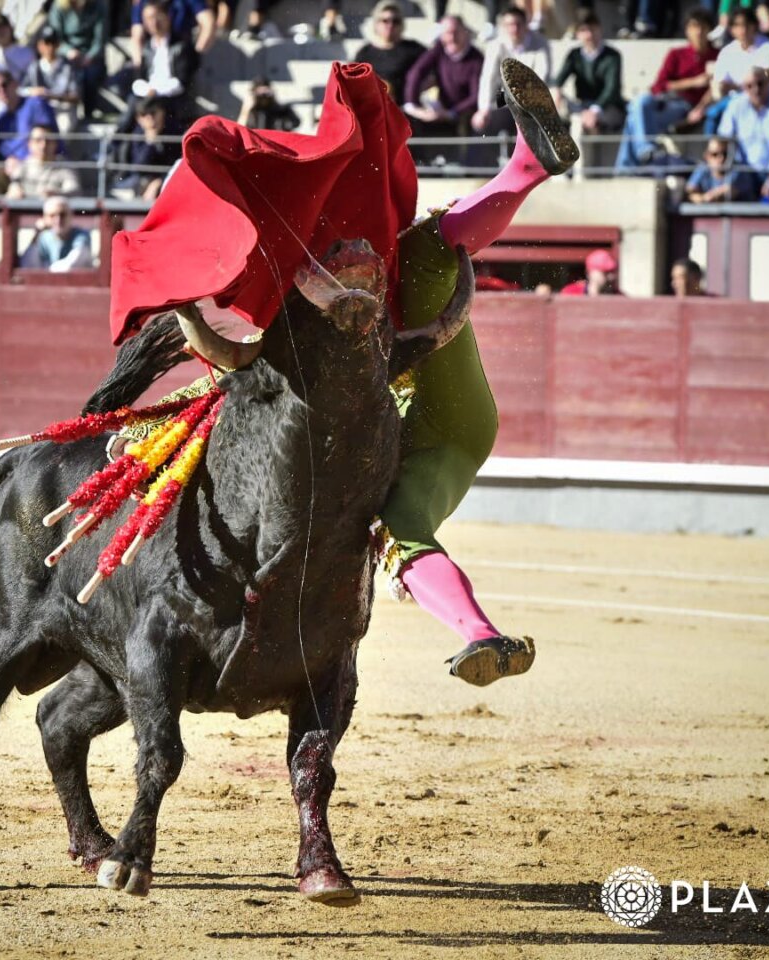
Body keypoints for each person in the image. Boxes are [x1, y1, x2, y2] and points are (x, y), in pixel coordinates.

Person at [111, 58, 584, 686]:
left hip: (432, 423)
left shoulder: (353, 306)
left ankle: (481, 634)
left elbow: (241, 377)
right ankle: (526, 165)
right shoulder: (380, 282)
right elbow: (243, 379)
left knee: (399, 528)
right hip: (429, 408)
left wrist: (145, 430)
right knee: (428, 246)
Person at [615, 8, 717, 172]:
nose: (698, 32)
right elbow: (659, 85)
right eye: (694, 27)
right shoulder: (677, 54)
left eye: (702, 27)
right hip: (664, 101)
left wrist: (701, 108)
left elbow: (718, 87)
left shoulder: (717, 56)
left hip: (686, 107)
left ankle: (626, 167)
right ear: (687, 30)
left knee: (634, 117)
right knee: (640, 102)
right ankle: (645, 151)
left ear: (709, 30)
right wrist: (693, 82)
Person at [0, 72, 60, 195]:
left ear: (15, 84)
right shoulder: (1, 120)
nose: (1, 91)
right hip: (10, 169)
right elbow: (2, 151)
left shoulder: (35, 104)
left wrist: (22, 161)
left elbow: (47, 140)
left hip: (38, 163)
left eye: (4, 85)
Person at [402, 15, 484, 142]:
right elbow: (416, 72)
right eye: (447, 33)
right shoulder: (439, 49)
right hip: (441, 110)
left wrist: (451, 113)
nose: (452, 37)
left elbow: (475, 97)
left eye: (455, 32)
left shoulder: (476, 59)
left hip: (465, 113)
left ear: (465, 32)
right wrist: (413, 105)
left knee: (468, 122)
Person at [474, 7, 551, 135]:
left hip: (531, 99)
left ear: (526, 25)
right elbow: (488, 78)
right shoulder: (495, 45)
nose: (514, 29)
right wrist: (483, 109)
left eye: (518, 24)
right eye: (510, 25)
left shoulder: (541, 43)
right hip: (503, 96)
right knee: (485, 123)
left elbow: (542, 76)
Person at [125, 0, 201, 125]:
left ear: (167, 17)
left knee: (158, 110)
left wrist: (157, 91)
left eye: (157, 17)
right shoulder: (145, 48)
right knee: (134, 102)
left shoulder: (182, 46)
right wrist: (148, 90)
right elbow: (137, 80)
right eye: (149, 18)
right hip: (148, 97)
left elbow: (181, 82)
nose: (154, 23)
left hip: (170, 98)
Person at [550, 10, 625, 134]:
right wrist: (556, 90)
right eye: (584, 30)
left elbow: (612, 89)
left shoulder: (612, 56)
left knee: (579, 122)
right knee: (555, 97)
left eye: (593, 29)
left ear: (599, 29)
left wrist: (595, 110)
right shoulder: (574, 55)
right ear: (577, 34)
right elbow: (559, 80)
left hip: (607, 107)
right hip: (582, 106)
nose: (589, 35)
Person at [706, 7, 769, 133]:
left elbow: (768, 74)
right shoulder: (727, 51)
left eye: (746, 25)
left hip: (765, 98)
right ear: (731, 29)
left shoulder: (767, 46)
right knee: (713, 114)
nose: (743, 30)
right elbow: (720, 83)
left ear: (754, 26)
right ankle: (714, 145)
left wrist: (739, 85)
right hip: (735, 100)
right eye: (738, 25)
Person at [717, 66, 769, 179]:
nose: (756, 89)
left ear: (768, 83)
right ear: (743, 88)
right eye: (749, 86)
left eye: (760, 84)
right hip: (743, 171)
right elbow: (724, 136)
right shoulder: (736, 104)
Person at [354, 1, 427, 103]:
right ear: (376, 24)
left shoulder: (414, 49)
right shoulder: (364, 53)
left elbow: (435, 73)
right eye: (385, 21)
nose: (390, 25)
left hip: (406, 106)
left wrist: (414, 90)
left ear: (402, 25)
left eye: (395, 21)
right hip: (374, 106)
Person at [48, 0, 109, 118]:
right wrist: (68, 51)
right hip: (67, 55)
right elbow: (56, 38)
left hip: (91, 55)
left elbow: (100, 39)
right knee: (62, 75)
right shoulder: (59, 7)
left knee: (90, 75)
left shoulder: (98, 6)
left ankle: (89, 113)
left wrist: (89, 57)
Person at [115, 98, 182, 198]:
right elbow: (139, 167)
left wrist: (159, 181)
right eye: (144, 115)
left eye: (153, 113)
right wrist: (150, 143)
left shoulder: (174, 132)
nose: (150, 118)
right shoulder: (137, 134)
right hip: (138, 180)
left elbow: (177, 165)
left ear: (162, 113)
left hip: (168, 178)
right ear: (138, 119)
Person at [21, 26, 82, 133]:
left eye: (53, 43)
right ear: (39, 45)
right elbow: (19, 90)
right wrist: (32, 91)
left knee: (62, 131)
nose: (50, 47)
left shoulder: (68, 67)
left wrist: (50, 95)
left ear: (58, 45)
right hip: (40, 111)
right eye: (46, 43)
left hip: (63, 111)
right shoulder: (34, 67)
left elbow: (76, 96)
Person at [129, 0, 214, 69]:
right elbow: (136, 36)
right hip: (154, 53)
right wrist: (140, 65)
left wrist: (196, 54)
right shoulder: (143, 3)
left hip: (182, 52)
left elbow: (208, 23)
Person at [20, 196, 94, 270]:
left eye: (62, 214)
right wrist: (37, 234)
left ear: (71, 215)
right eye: (52, 216)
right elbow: (27, 265)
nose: (58, 220)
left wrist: (47, 271)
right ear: (45, 218)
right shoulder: (43, 237)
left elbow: (70, 265)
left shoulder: (81, 235)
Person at [7, 127, 81, 198]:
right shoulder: (22, 165)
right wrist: (15, 190)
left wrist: (56, 194)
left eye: (48, 141)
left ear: (55, 144)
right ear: (29, 144)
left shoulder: (65, 166)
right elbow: (13, 186)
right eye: (38, 140)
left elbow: (74, 190)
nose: (43, 145)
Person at [686, 135, 758, 201]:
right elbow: (690, 191)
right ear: (706, 156)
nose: (721, 158)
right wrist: (700, 197)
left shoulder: (739, 170)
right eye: (715, 154)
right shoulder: (703, 168)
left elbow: (727, 192)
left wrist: (703, 198)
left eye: (725, 154)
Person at [238, 77, 302, 131]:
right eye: (260, 94)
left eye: (266, 93)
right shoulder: (250, 111)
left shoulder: (282, 110)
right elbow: (240, 130)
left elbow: (296, 123)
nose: (263, 97)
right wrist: (246, 109)